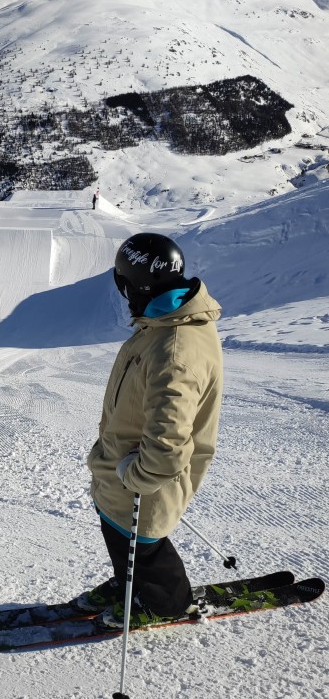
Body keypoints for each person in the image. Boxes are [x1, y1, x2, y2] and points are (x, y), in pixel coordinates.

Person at [78, 232, 223, 627]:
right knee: (122, 536)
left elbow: (169, 446)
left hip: (139, 480)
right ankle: (130, 583)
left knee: (144, 544)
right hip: (120, 469)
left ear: (134, 285)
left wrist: (137, 475)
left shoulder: (174, 347)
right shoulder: (164, 322)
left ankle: (163, 602)